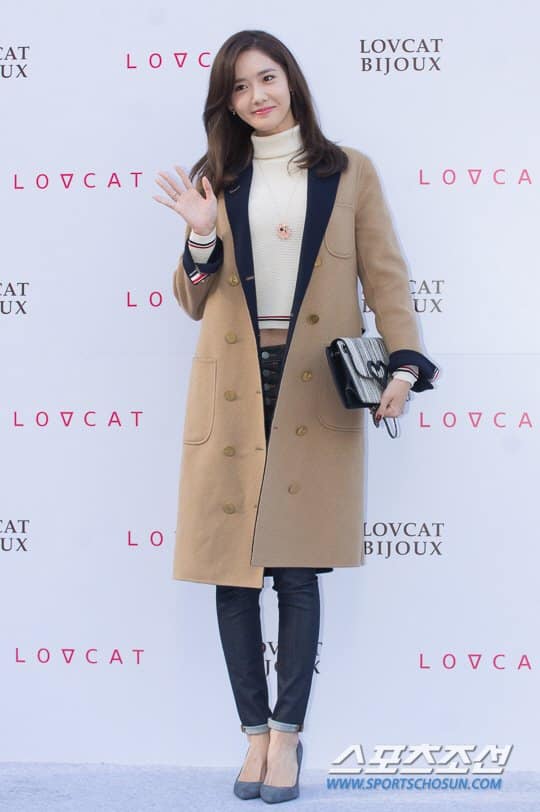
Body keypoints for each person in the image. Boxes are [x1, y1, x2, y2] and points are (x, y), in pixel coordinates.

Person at [153, 29, 439, 804]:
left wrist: (405, 363)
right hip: (235, 390)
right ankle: (253, 738)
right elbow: (191, 299)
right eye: (239, 87)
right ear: (227, 102)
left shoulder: (349, 171)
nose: (257, 96)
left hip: (313, 387)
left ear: (291, 81)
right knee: (232, 574)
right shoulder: (218, 176)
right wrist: (200, 234)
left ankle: (287, 738)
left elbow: (386, 275)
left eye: (267, 78)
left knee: (298, 570)